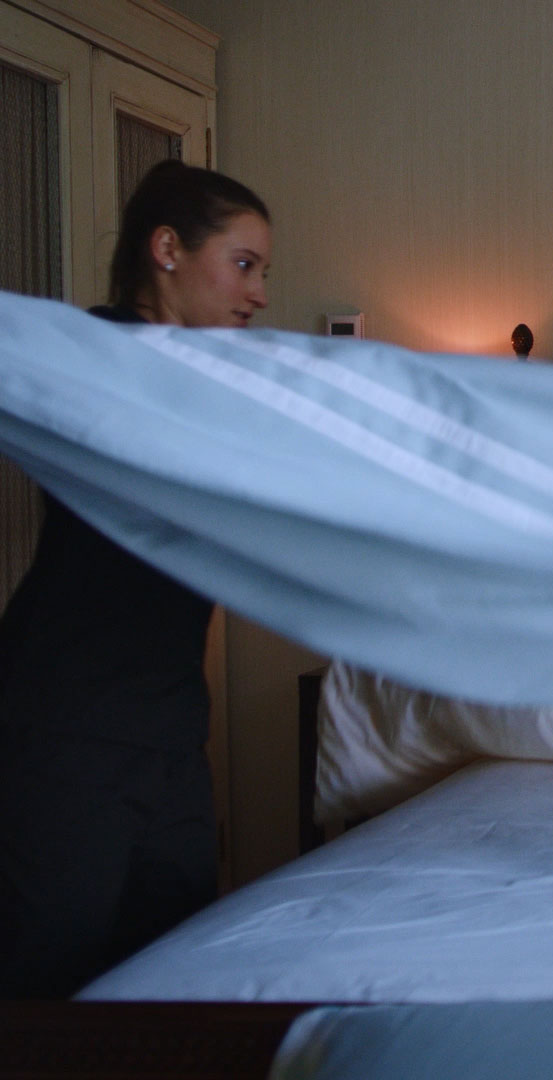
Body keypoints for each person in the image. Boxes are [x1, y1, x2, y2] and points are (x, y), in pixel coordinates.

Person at [0, 160, 271, 997]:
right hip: (65, 731)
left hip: (171, 735)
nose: (259, 294)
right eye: (244, 264)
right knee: (45, 988)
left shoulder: (220, 389)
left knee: (168, 983)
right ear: (167, 250)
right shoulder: (82, 357)